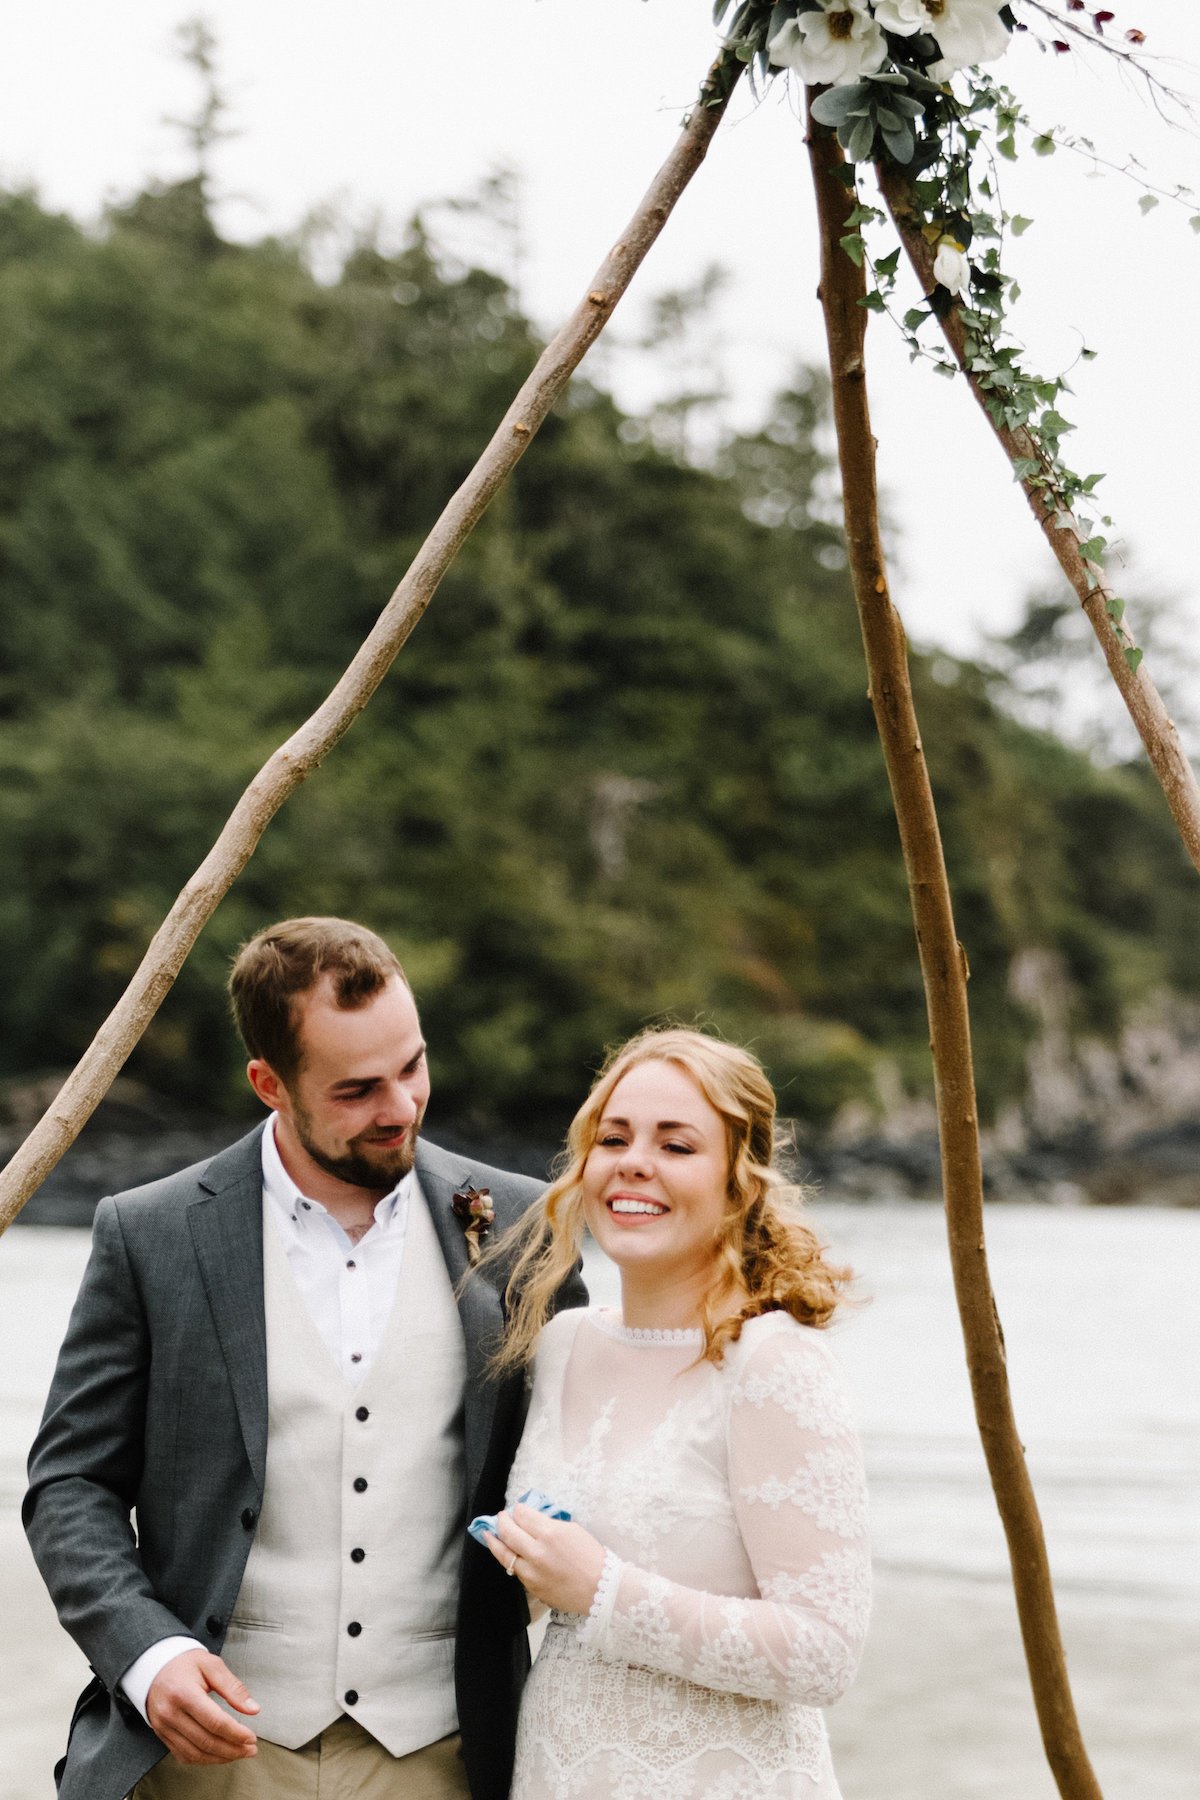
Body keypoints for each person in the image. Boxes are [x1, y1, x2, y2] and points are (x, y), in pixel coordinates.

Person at [24, 916, 584, 1800]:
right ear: (268, 1083)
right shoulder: (152, 1233)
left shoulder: (523, 1226)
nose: (400, 1107)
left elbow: (589, 1454)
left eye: (413, 1066)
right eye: (358, 1089)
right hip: (207, 1755)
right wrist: (148, 1653)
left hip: (445, 1749)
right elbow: (70, 1485)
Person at [477, 1027, 870, 1800]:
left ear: (738, 1180)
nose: (634, 1163)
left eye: (677, 1145)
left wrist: (601, 1589)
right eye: (613, 1137)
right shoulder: (562, 1344)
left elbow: (826, 1651)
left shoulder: (772, 1361)